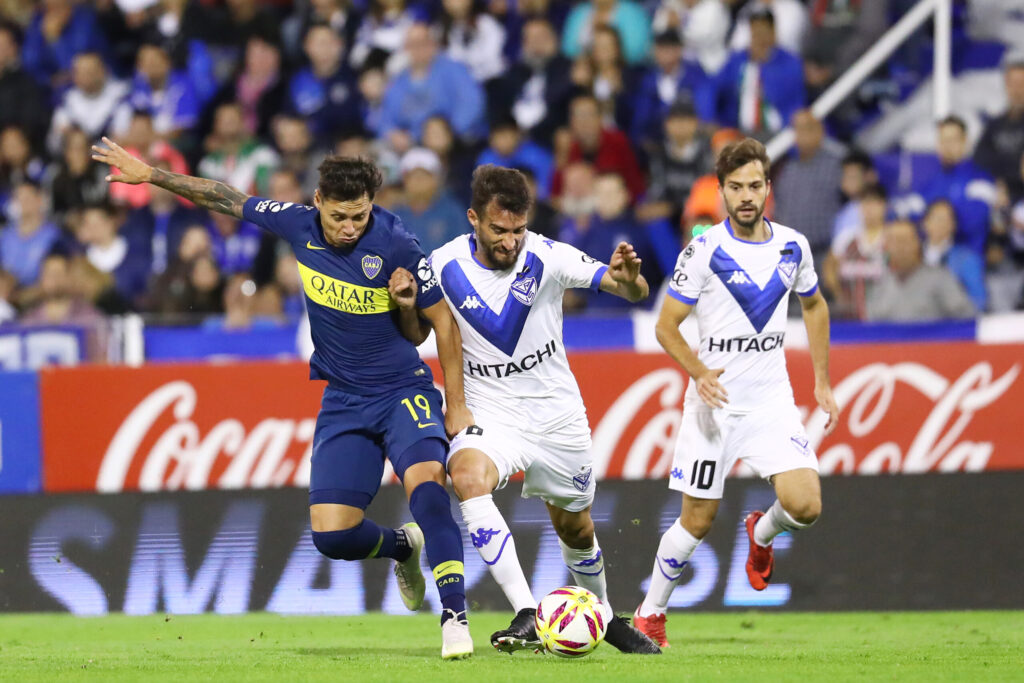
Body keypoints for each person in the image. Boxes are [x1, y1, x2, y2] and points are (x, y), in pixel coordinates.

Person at [92, 139, 476, 660]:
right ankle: (403, 547)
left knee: (428, 487)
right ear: (318, 201)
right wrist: (154, 175)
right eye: (340, 216)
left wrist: (455, 404)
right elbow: (226, 197)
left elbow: (440, 326)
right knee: (332, 535)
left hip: (402, 390)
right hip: (343, 399)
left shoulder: (398, 243)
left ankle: (454, 615)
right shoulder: (296, 224)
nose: (349, 227)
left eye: (359, 216)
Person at [411, 164, 661, 655]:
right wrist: (455, 403)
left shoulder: (549, 256)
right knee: (466, 476)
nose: (510, 242)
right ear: (473, 220)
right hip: (489, 412)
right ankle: (528, 609)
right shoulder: (441, 265)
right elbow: (422, 330)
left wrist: (631, 283)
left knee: (575, 526)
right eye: (499, 231)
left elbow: (626, 288)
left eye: (518, 230)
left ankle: (605, 616)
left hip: (556, 414)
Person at [632, 138, 840, 647]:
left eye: (754, 186)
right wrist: (699, 371)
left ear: (769, 188)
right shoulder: (703, 250)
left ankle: (761, 533)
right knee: (696, 521)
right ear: (721, 191)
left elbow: (814, 306)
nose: (746, 196)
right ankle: (649, 612)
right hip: (714, 406)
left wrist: (822, 381)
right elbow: (667, 326)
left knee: (807, 505)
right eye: (735, 187)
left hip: (770, 401)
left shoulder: (793, 246)